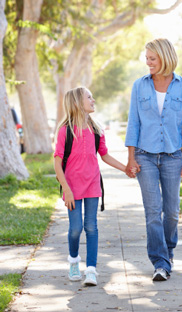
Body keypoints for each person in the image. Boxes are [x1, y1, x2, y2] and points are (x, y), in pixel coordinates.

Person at [125, 38, 182, 281]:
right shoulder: (139, 86)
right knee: (153, 211)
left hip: (174, 156)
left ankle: (168, 252)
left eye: (152, 58)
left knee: (172, 211)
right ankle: (160, 262)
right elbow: (133, 122)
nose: (148, 63)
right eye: (146, 58)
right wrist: (130, 158)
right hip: (145, 156)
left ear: (165, 57)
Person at [54, 86, 126, 286]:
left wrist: (125, 168)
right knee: (76, 228)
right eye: (89, 97)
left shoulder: (96, 129)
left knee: (91, 227)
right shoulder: (65, 131)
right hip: (72, 188)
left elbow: (105, 155)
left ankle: (91, 270)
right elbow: (57, 163)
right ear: (77, 103)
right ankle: (74, 261)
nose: (93, 100)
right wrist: (66, 189)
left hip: (93, 184)